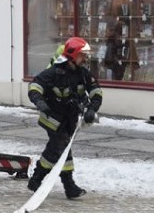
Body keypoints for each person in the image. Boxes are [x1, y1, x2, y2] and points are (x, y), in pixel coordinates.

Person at [27, 37, 103, 199]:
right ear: (73, 55)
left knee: (60, 150)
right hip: (53, 118)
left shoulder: (82, 74)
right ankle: (63, 185)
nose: (85, 58)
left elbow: (96, 91)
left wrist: (92, 109)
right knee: (59, 146)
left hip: (70, 119)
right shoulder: (54, 73)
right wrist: (40, 102)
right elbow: (34, 86)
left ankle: (39, 181)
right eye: (82, 55)